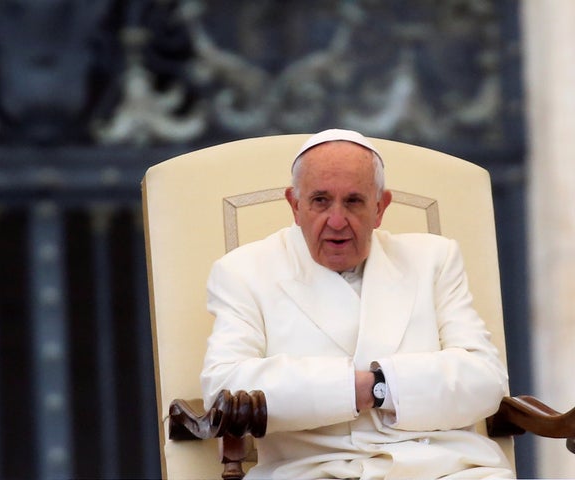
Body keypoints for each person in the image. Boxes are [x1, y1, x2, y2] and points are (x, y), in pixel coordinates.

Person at [200, 129, 514, 479]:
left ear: (380, 208)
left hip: (445, 468)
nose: (336, 221)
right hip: (315, 471)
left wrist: (383, 386)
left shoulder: (434, 259)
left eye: (353, 201)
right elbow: (224, 390)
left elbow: (486, 380)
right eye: (320, 200)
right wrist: (357, 389)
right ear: (295, 205)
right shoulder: (244, 271)